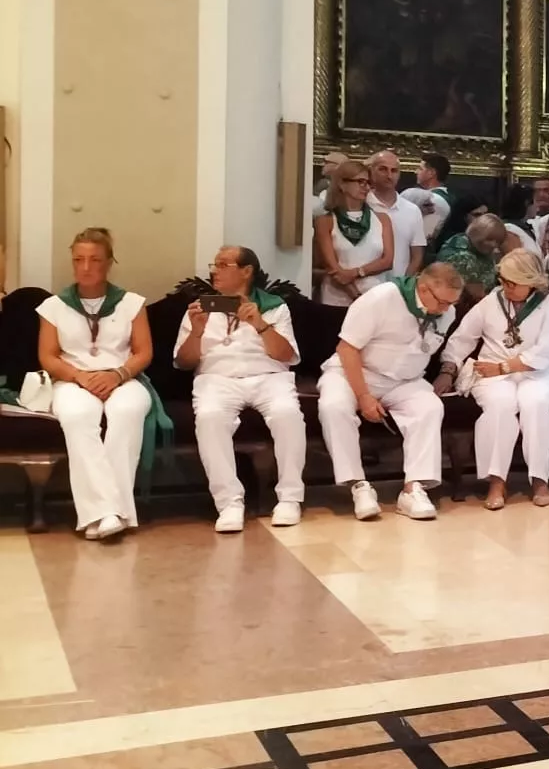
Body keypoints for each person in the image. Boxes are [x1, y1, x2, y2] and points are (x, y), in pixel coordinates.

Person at [40, 228, 165, 541]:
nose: (85, 266)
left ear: (109, 262)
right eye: (78, 259)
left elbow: (144, 352)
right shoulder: (54, 306)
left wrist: (118, 375)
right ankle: (110, 513)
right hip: (73, 380)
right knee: (78, 416)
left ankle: (107, 514)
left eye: (94, 259)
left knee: (126, 413)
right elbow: (48, 356)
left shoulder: (131, 303)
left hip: (123, 377)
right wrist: (80, 377)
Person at [319, 263, 463, 522]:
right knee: (333, 406)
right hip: (354, 372)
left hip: (404, 380)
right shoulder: (381, 297)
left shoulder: (447, 311)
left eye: (451, 303)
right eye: (442, 302)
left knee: (429, 406)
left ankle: (413, 489)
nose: (446, 309)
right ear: (423, 288)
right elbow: (347, 349)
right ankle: (358, 486)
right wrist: (363, 396)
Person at [176, 246, 305, 532]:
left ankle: (289, 499)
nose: (214, 270)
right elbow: (184, 362)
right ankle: (229, 503)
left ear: (246, 271)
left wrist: (259, 324)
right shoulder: (200, 309)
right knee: (210, 418)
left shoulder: (274, 307)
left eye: (223, 264)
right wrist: (197, 332)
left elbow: (286, 355)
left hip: (268, 377)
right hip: (217, 379)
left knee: (288, 414)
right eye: (215, 264)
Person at [439, 250, 549, 510]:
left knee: (535, 403)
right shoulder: (490, 301)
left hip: (538, 373)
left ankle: (540, 479)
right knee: (500, 406)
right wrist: (448, 370)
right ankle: (497, 480)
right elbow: (462, 339)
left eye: (512, 283)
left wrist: (504, 367)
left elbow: (547, 350)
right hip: (491, 374)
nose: (505, 287)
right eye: (502, 280)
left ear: (531, 282)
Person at [315, 159, 395, 305]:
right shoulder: (325, 221)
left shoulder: (382, 219)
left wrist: (357, 272)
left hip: (375, 297)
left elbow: (387, 261)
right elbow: (332, 267)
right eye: (360, 181)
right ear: (342, 184)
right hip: (337, 299)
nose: (366, 187)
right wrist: (357, 296)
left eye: (368, 183)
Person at [363, 150, 427, 276]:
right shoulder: (361, 204)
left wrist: (403, 285)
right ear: (371, 171)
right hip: (365, 283)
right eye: (383, 169)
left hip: (398, 285)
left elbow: (417, 256)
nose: (389, 175)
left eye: (394, 171)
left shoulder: (412, 210)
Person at [434, 213, 512, 300]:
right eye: (489, 239)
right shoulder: (462, 257)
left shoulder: (480, 249)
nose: (493, 244)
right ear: (477, 233)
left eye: (498, 241)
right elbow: (476, 295)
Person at [398, 152, 454, 244]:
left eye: (420, 169)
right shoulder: (441, 197)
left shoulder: (435, 200)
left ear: (431, 173)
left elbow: (424, 236)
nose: (416, 172)